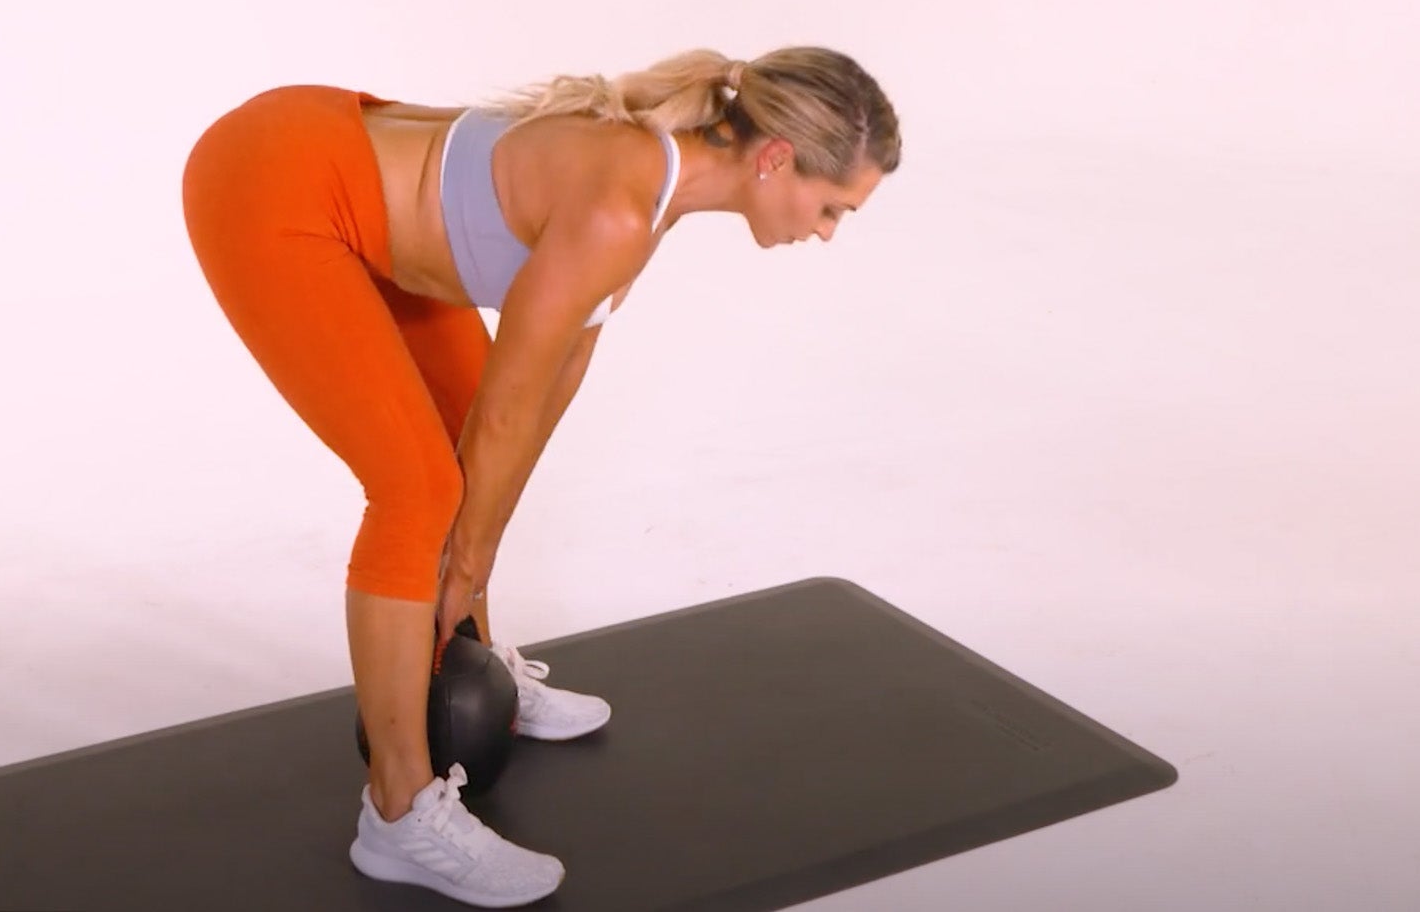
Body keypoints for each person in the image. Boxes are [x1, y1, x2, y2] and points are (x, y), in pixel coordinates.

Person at [179, 45, 900, 906]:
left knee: (455, 467)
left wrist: (469, 582)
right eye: (832, 208)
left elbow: (550, 380)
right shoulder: (620, 208)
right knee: (417, 490)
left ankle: (469, 659)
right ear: (776, 159)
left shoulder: (655, 187)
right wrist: (462, 559)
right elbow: (508, 409)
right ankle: (399, 813)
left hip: (340, 169)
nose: (825, 230)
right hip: (277, 182)